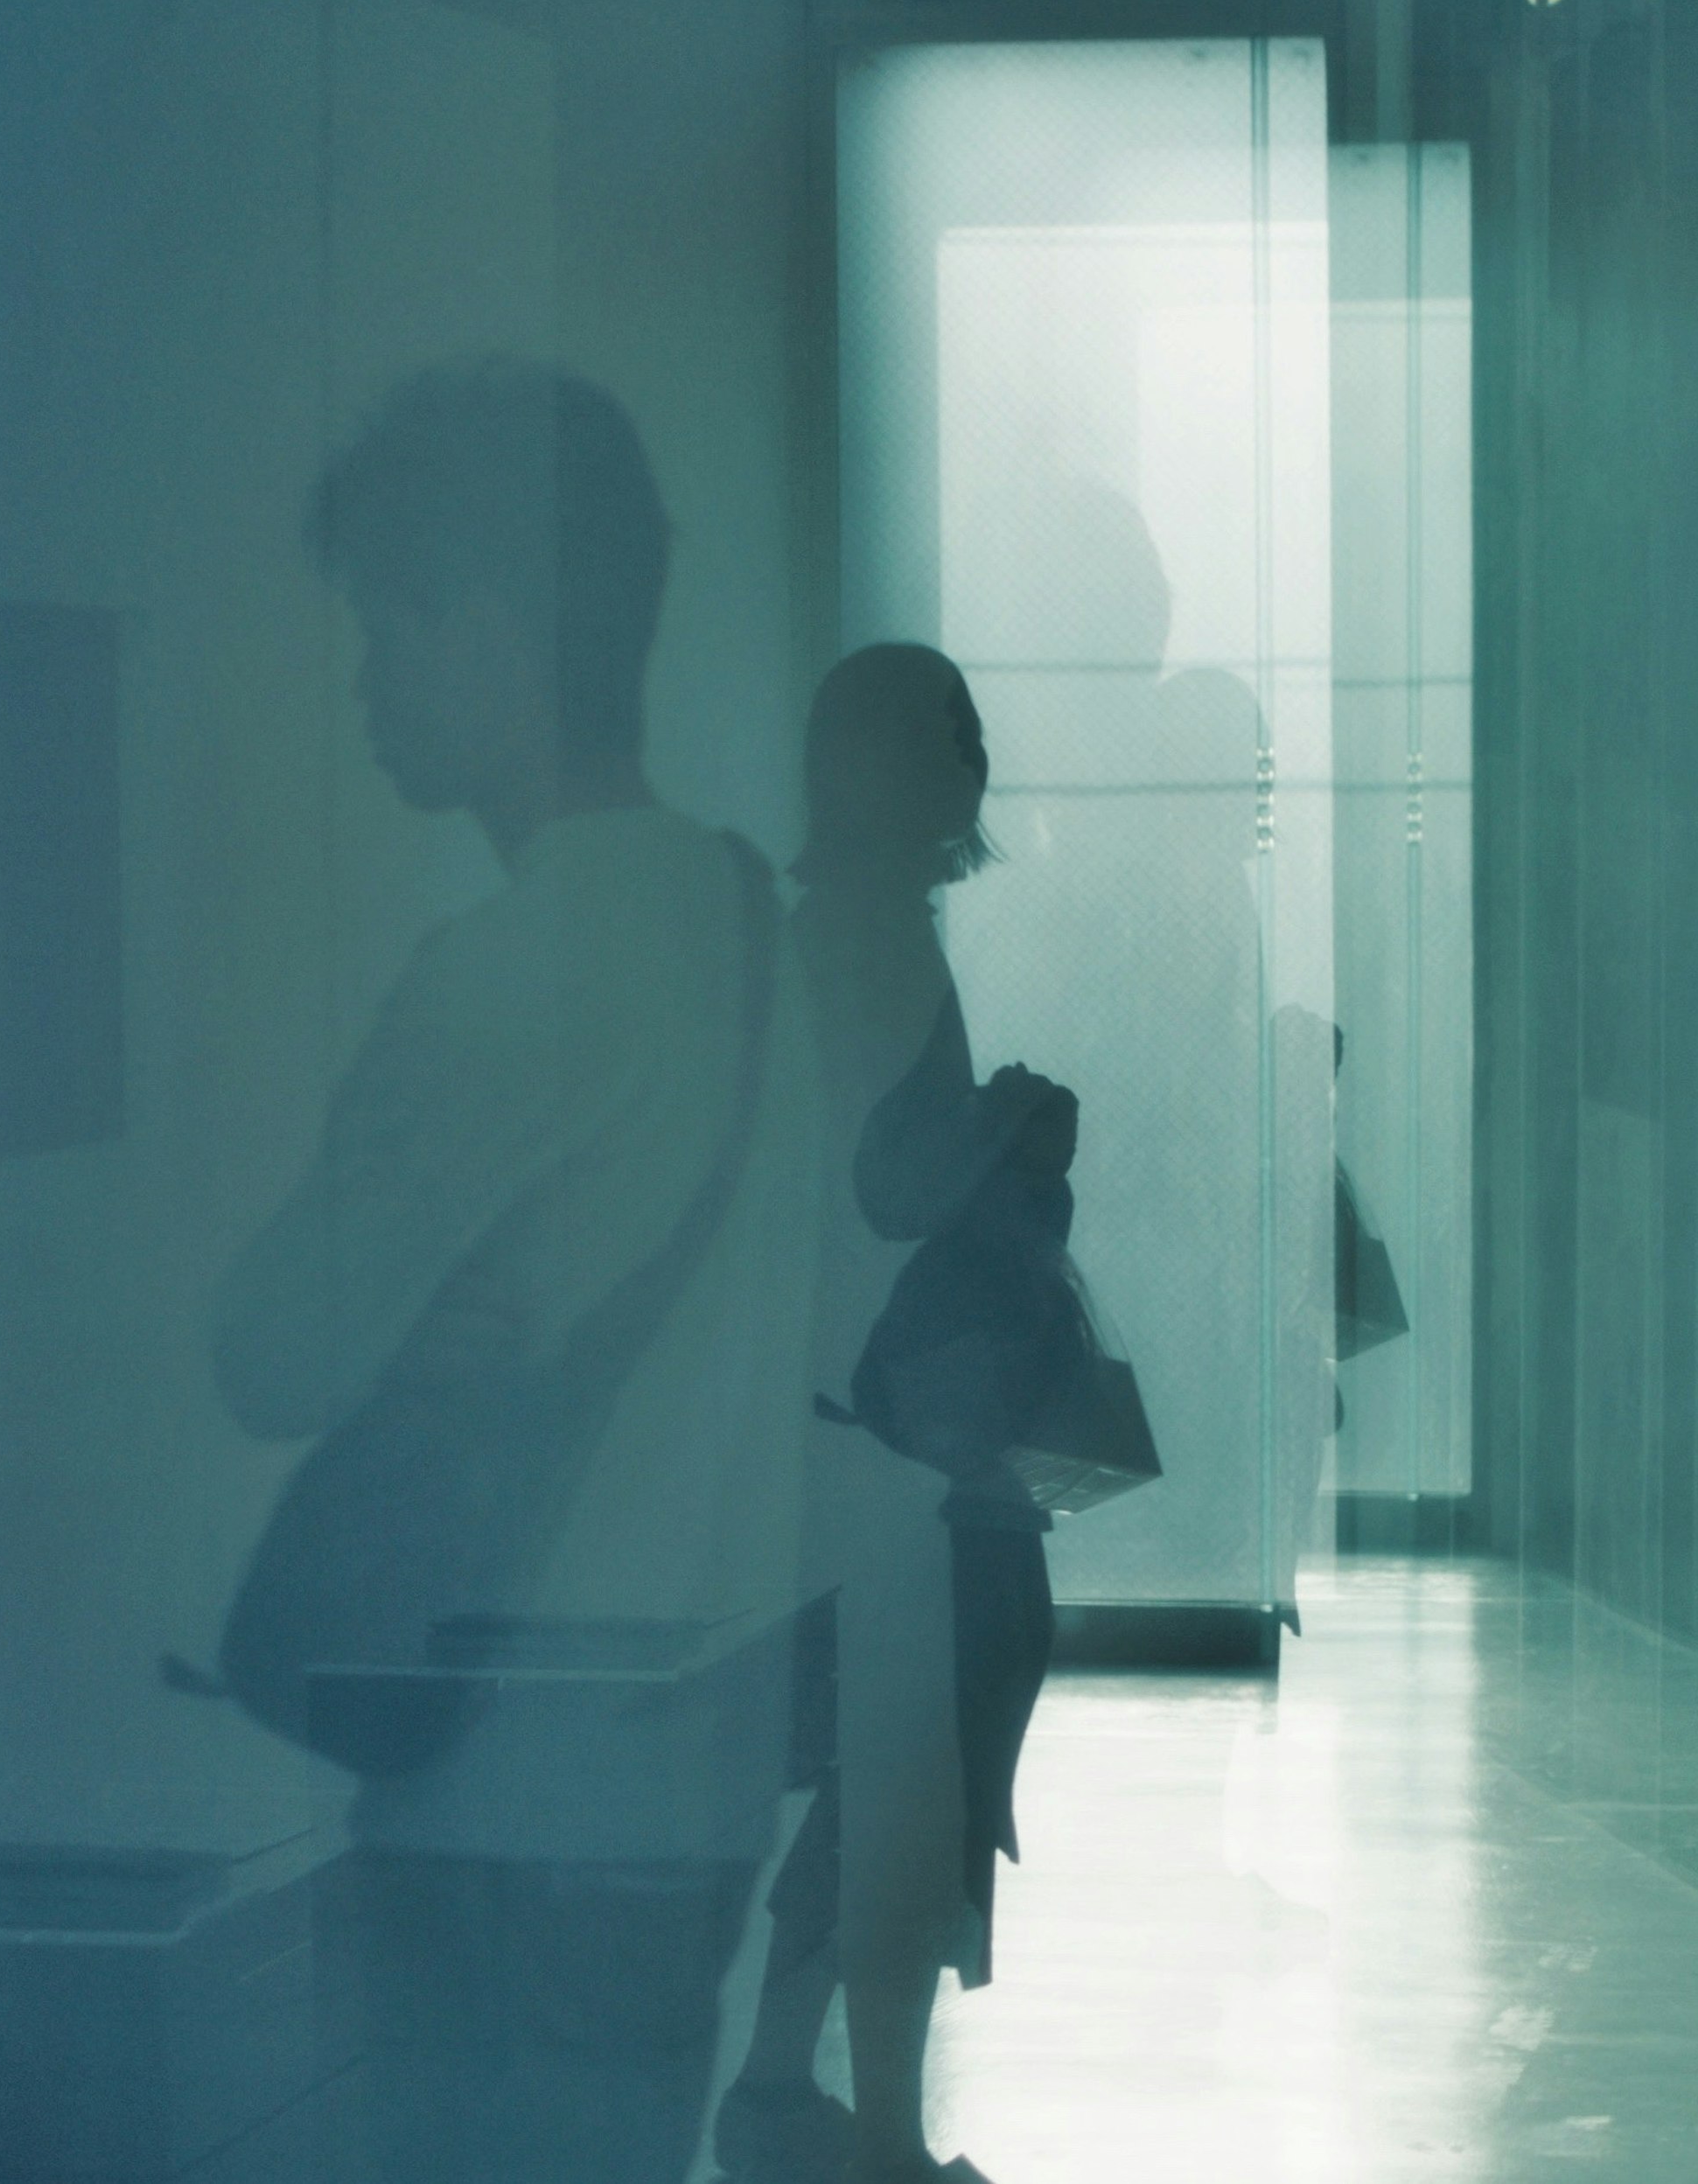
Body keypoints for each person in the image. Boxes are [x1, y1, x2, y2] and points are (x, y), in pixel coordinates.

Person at [210, 356, 821, 2184]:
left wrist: (407, 1337)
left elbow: (269, 1350)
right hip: (699, 1776)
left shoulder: (507, 968)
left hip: (507, 1801)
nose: (366, 683)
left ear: (482, 629)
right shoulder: (750, 924)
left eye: (385, 627)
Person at [719, 642, 1060, 2184]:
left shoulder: (823, 937)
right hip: (900, 1438)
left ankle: (791, 2093)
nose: (975, 759)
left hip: (838, 1418)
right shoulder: (878, 947)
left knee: (880, 1778)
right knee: (911, 1778)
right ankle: (875, 2134)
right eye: (952, 735)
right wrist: (1013, 1128)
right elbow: (895, 1186)